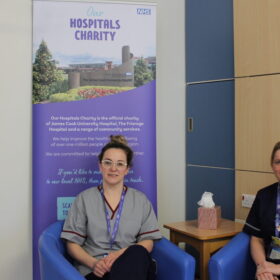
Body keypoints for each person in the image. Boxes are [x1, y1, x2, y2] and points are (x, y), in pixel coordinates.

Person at [61, 135, 161, 280]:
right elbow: (72, 244)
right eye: (108, 162)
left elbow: (148, 242)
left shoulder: (141, 201)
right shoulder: (84, 199)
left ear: (127, 169)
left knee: (137, 252)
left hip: (131, 266)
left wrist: (119, 255)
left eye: (120, 164)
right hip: (96, 270)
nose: (113, 168)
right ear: (100, 166)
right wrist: (94, 263)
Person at [243, 141, 280, 280]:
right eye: (278, 162)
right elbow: (256, 239)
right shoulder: (264, 195)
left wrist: (276, 269)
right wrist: (263, 267)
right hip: (269, 267)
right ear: (272, 166)